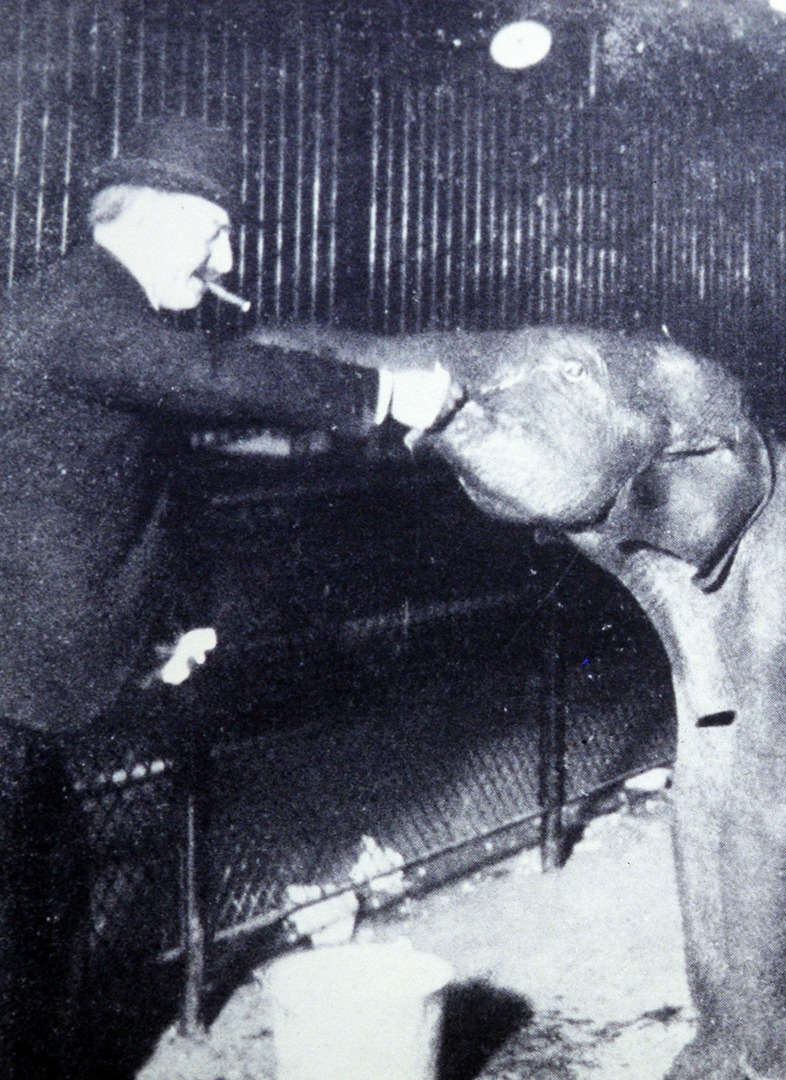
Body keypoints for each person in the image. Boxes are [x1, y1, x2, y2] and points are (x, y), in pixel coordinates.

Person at [0, 114, 458, 1079]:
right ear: (163, 221)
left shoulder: (100, 318)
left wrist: (155, 632)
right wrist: (381, 394)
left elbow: (98, 501)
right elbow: (211, 374)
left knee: (43, 905)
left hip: (25, 686)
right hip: (12, 686)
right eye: (217, 235)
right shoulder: (82, 308)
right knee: (19, 927)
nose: (226, 259)